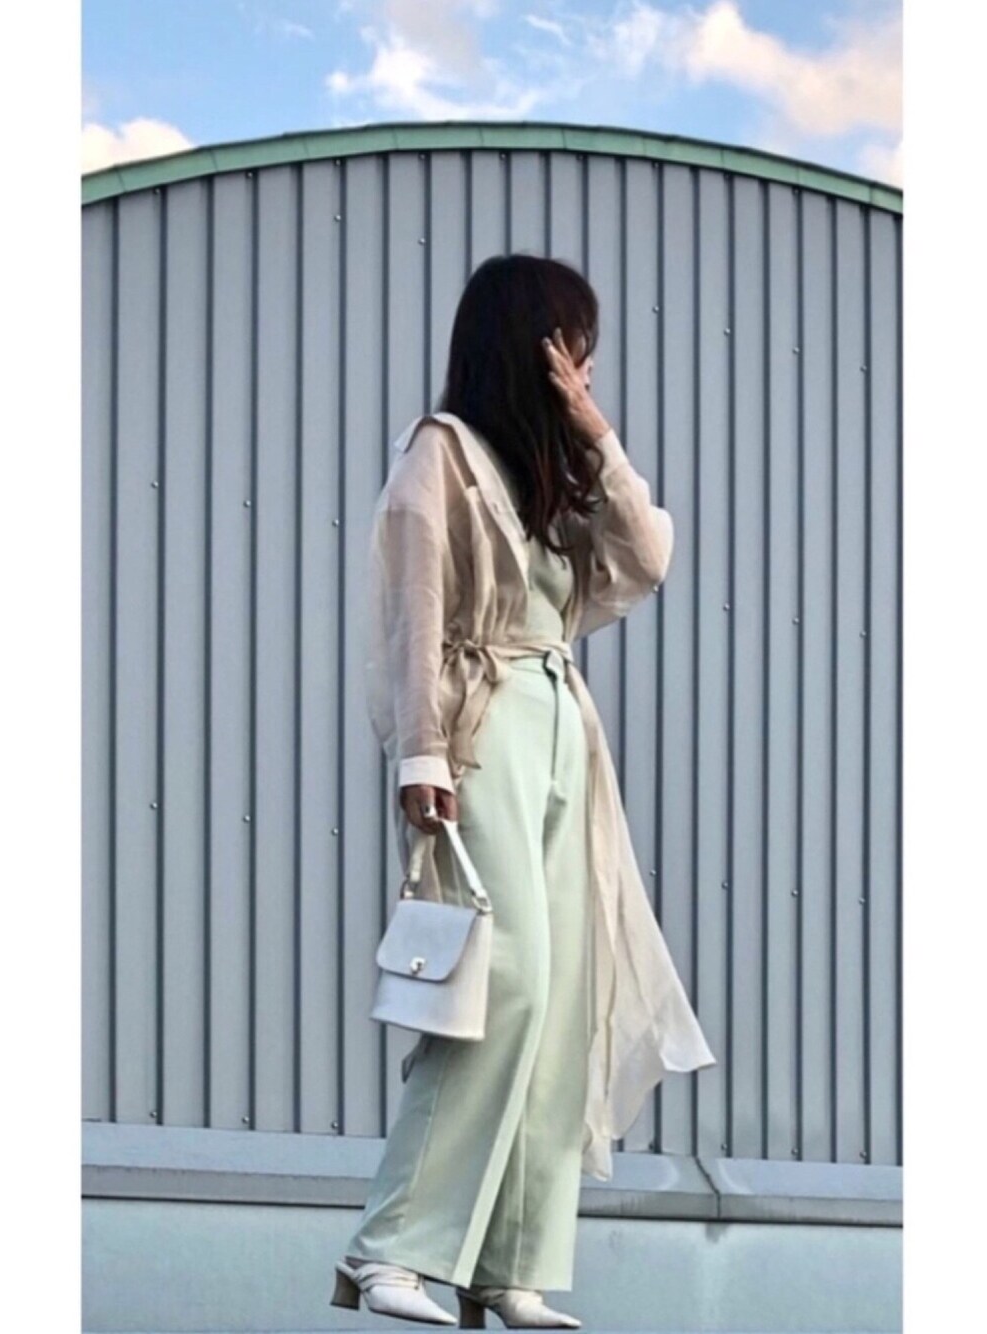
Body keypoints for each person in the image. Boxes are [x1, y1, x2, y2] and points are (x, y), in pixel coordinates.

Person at [331, 255, 717, 1329]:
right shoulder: (441, 453)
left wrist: (596, 433)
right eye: (569, 346)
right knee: (500, 983)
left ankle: (511, 1264)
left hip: (561, 727)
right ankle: (392, 1247)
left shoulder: (549, 476)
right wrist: (420, 756)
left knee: (556, 996)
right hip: (483, 727)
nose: (582, 366)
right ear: (529, 346)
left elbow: (646, 557)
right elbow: (413, 604)